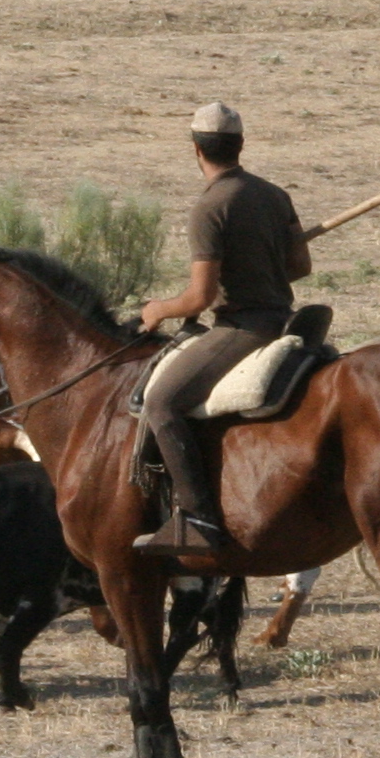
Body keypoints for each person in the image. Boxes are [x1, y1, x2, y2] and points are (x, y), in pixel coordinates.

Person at [131, 101, 310, 556]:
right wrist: (257, 269)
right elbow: (300, 266)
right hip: (283, 317)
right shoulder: (274, 194)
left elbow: (199, 300)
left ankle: (197, 518)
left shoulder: (210, 207)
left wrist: (157, 310)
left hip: (243, 329)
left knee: (162, 402)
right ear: (241, 145)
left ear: (195, 149)